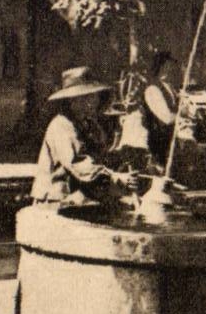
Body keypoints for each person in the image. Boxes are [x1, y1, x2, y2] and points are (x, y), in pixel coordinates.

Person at [31, 67, 136, 207]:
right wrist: (115, 178)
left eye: (94, 96)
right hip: (56, 200)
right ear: (72, 101)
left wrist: (122, 155)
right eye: (87, 97)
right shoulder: (62, 125)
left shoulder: (89, 124)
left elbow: (98, 158)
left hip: (80, 197)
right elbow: (78, 164)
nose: (94, 101)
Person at [141, 49, 179, 169]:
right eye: (167, 66)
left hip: (171, 139)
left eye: (171, 66)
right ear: (160, 66)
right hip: (159, 140)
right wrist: (182, 114)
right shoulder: (152, 89)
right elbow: (166, 118)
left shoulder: (169, 87)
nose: (170, 69)